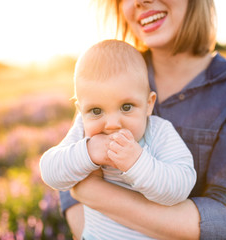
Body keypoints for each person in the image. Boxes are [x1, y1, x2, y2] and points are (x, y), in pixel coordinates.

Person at [48, 0, 226, 239]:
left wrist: (95, 190)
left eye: (127, 107)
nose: (140, 1)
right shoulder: (109, 72)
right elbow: (63, 177)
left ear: (149, 103)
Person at [40, 39, 197, 239]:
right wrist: (89, 151)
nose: (112, 124)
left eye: (126, 107)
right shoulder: (83, 131)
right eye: (96, 111)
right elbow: (50, 172)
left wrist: (137, 163)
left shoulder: (158, 132)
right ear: (80, 111)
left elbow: (181, 185)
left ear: (148, 104)